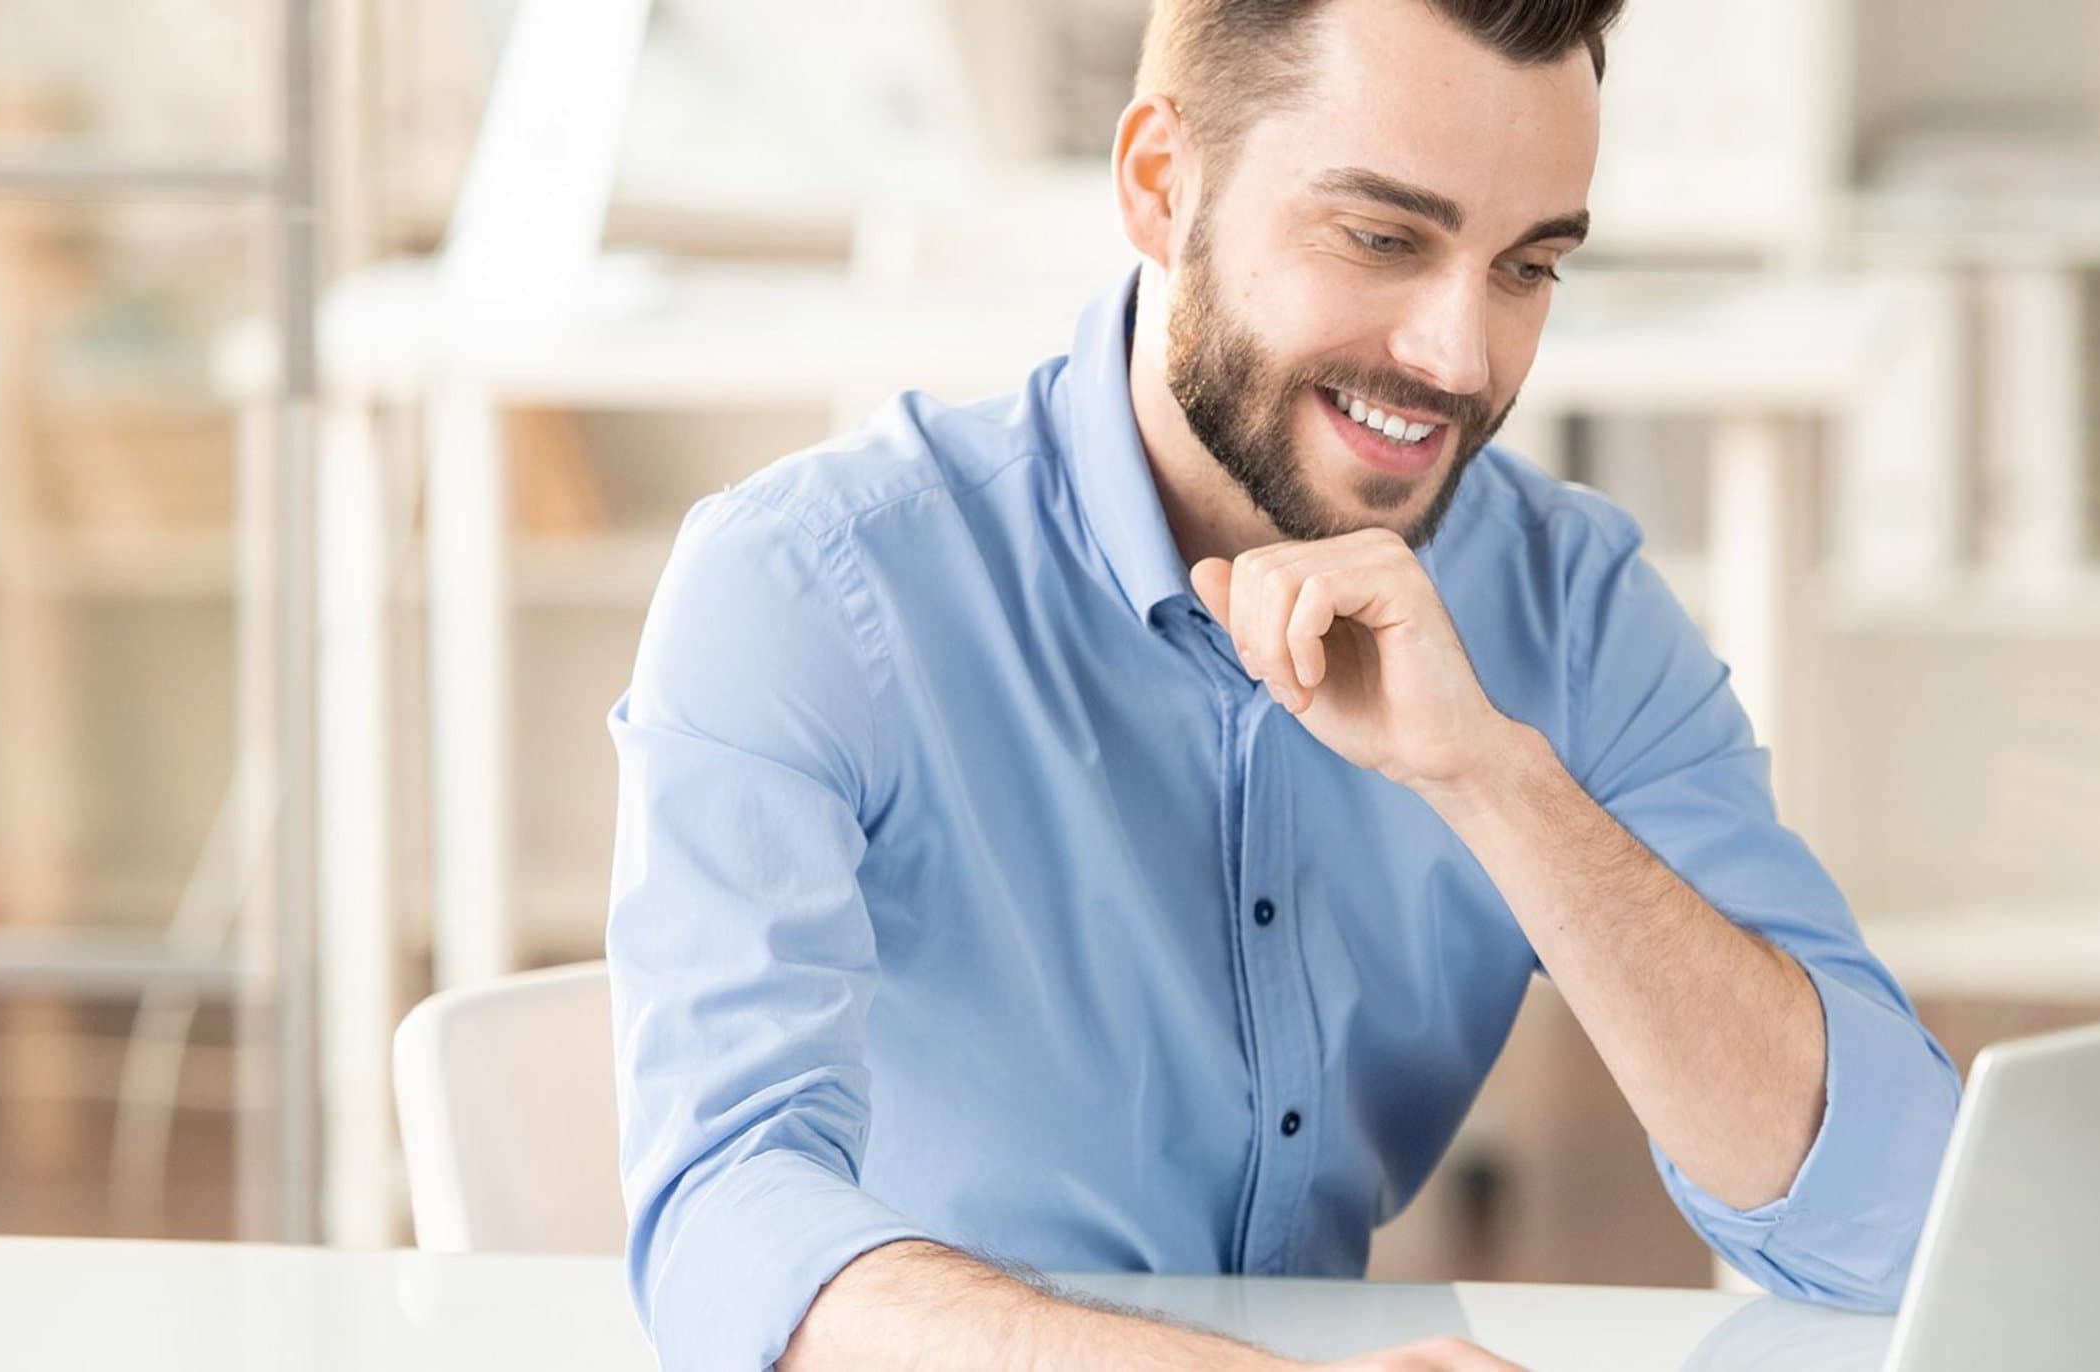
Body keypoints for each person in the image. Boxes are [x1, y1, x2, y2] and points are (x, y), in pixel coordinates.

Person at [604, 1, 1962, 1367]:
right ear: (1158, 185)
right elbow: (728, 1224)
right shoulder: (807, 588)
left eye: (1527, 266)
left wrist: (1491, 777)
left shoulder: (1572, 608)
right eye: (1383, 239)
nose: (1461, 359)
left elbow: (1898, 1225)